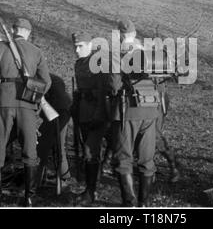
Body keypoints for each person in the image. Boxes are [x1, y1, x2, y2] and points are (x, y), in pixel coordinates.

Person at [0, 18, 51, 207]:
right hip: (28, 104)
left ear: (12, 30)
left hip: (3, 102)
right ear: (28, 33)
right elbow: (46, 82)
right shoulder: (37, 51)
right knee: (29, 151)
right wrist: (34, 96)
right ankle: (29, 198)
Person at [107, 19, 159, 207]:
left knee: (124, 158)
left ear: (120, 34)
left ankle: (129, 204)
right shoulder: (148, 51)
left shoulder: (117, 52)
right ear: (135, 34)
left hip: (127, 110)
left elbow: (113, 85)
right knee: (146, 158)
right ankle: (144, 204)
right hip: (151, 108)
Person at [71, 32, 108, 206]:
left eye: (81, 46)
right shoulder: (79, 64)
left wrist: (99, 113)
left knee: (91, 151)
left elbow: (103, 91)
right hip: (85, 111)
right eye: (75, 46)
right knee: (90, 151)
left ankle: (90, 192)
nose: (77, 50)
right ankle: (91, 188)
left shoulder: (99, 62)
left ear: (90, 45)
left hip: (102, 111)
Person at [36, 73, 72, 186]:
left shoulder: (42, 79)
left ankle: (38, 179)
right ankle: (63, 176)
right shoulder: (48, 77)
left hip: (59, 111)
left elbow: (41, 102)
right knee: (56, 146)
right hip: (59, 110)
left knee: (46, 146)